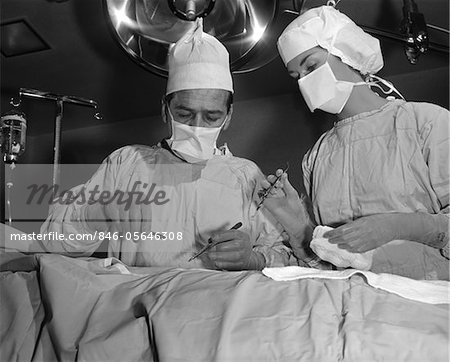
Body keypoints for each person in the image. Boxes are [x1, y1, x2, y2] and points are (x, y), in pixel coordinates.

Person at [39, 20, 291, 270]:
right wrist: (97, 211)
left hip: (219, 307)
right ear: (165, 109)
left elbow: (287, 255)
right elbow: (56, 243)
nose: (196, 127)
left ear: (228, 116)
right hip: (139, 304)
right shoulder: (126, 165)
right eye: (184, 114)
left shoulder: (247, 177)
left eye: (211, 116)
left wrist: (253, 260)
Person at [260, 5, 449, 278]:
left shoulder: (425, 123)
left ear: (345, 52)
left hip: (423, 303)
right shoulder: (318, 156)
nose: (304, 82)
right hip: (350, 305)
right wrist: (298, 225)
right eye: (296, 77)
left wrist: (398, 226)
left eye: (311, 66)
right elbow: (331, 263)